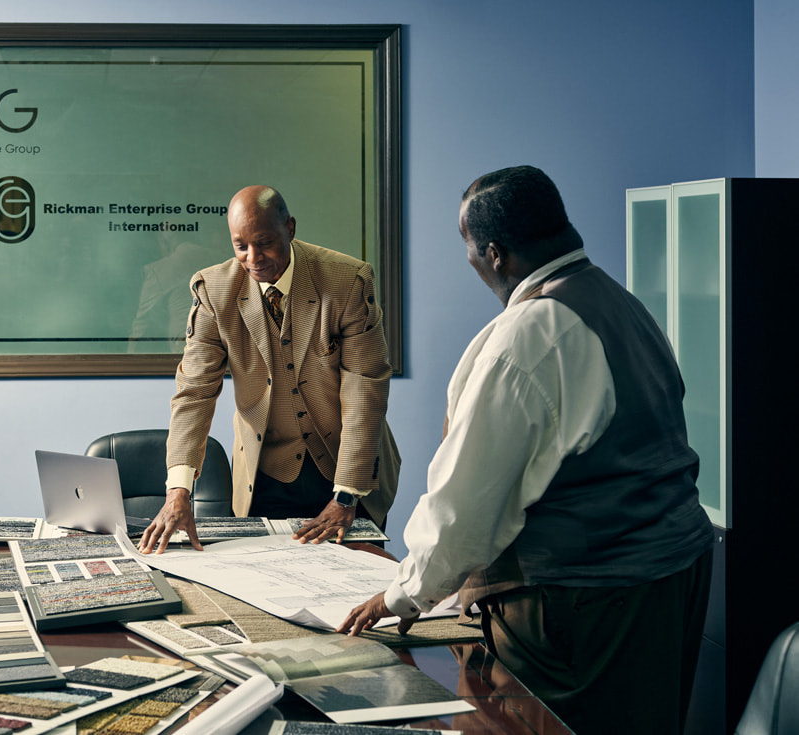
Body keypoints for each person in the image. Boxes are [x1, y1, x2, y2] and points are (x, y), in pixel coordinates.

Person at [338, 166, 713, 735]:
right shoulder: (623, 304)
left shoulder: (527, 337)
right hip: (672, 573)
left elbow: (464, 507)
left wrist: (400, 596)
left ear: (494, 255)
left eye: (468, 251)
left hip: (583, 601)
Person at [139, 185, 399, 554]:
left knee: (353, 585)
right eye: (240, 246)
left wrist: (345, 497)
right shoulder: (213, 291)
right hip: (266, 475)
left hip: (348, 470)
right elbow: (195, 391)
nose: (253, 257)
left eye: (264, 243)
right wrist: (178, 490)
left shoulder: (347, 282)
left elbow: (365, 390)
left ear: (290, 229)